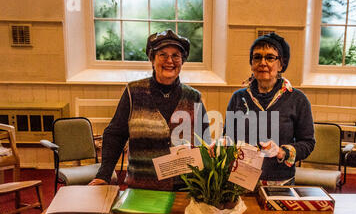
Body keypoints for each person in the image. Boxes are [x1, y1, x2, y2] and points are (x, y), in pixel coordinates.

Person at [89, 29, 210, 191]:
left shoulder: (193, 97)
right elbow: (115, 135)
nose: (170, 60)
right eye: (163, 54)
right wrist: (103, 175)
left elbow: (205, 142)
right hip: (141, 188)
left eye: (176, 55)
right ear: (152, 59)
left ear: (182, 61)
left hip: (184, 189)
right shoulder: (134, 92)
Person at [225, 32, 315, 186]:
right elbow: (228, 136)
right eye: (257, 57)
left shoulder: (297, 99)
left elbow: (307, 142)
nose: (263, 62)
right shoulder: (238, 98)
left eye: (270, 57)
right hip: (241, 181)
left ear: (281, 64)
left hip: (280, 181)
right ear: (252, 63)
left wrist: (282, 152)